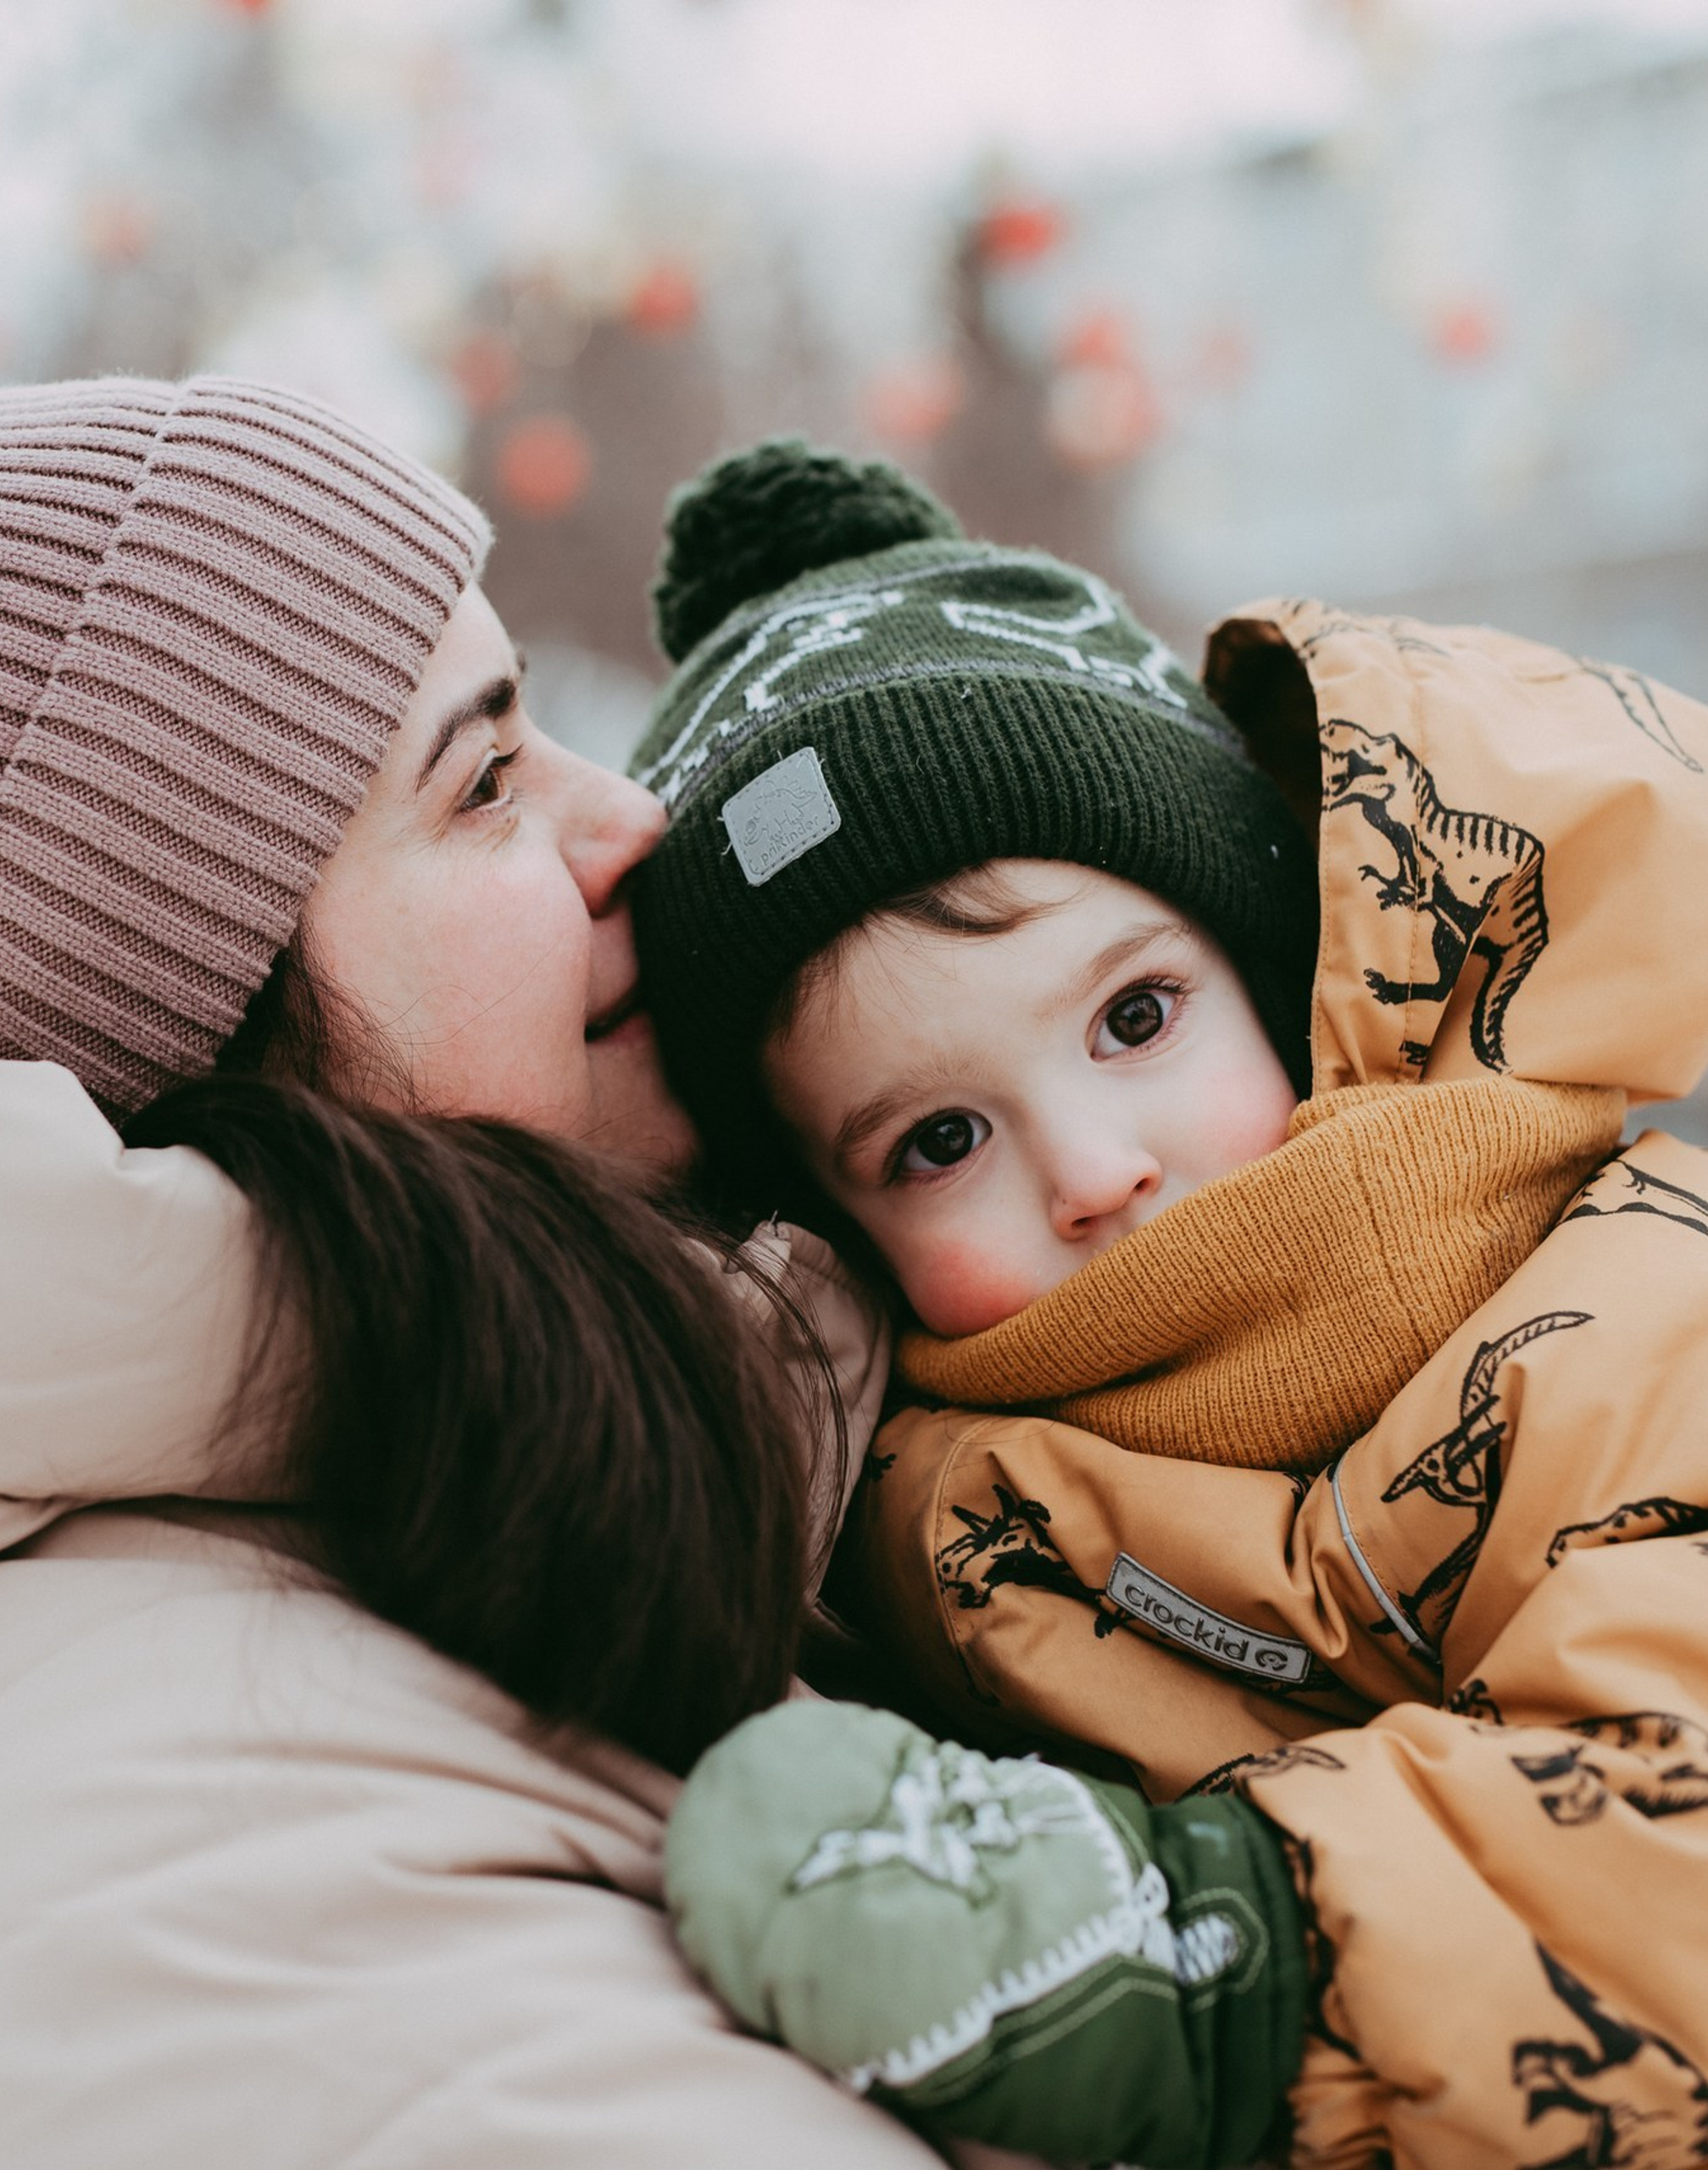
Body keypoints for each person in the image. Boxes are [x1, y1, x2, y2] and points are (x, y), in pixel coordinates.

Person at [0, 367, 949, 2169]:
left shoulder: (443, 1512)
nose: (630, 825)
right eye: (487, 778)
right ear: (189, 1023)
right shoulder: (193, 1866)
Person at [626, 441, 1708, 2167]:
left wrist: (1212, 1957)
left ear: (1271, 967)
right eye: (937, 1137)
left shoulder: (1632, 1304)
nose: (1089, 1167)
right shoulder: (919, 1544)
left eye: (1132, 1020)